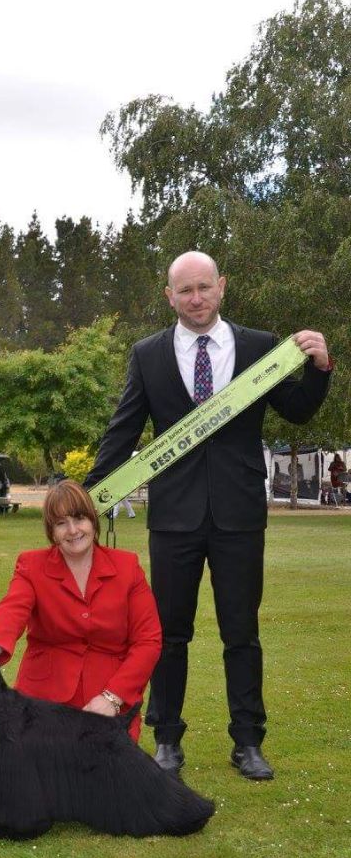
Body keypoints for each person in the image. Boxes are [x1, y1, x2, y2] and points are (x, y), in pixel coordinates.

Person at [84, 251, 332, 780]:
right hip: (173, 517)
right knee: (167, 635)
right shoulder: (147, 354)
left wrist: (319, 368)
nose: (195, 298)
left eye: (204, 287)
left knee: (241, 633)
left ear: (222, 286)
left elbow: (298, 410)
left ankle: (248, 742)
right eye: (185, 290)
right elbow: (124, 429)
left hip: (239, 514)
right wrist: (87, 496)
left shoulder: (261, 346)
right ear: (169, 297)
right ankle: (166, 739)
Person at [0, 480, 161, 742]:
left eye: (79, 518)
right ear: (51, 531)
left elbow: (148, 641)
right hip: (42, 703)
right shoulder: (31, 565)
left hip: (107, 702)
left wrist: (113, 697)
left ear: (93, 520)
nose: (73, 530)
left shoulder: (127, 566)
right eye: (61, 523)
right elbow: (11, 610)